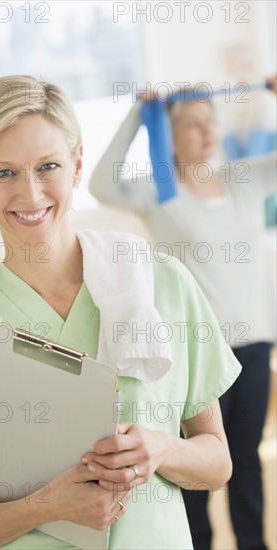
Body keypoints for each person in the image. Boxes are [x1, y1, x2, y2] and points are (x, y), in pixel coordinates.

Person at [0, 75, 242, 550]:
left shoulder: (161, 284)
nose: (30, 194)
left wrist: (161, 448)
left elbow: (217, 465)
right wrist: (44, 507)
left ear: (77, 165)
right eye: (2, 172)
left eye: (47, 166)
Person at [89, 77, 277, 550]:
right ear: (170, 135)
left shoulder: (243, 180)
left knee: (246, 462)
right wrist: (139, 113)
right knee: (193, 465)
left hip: (253, 346)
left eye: (209, 120)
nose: (205, 130)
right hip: (194, 357)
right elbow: (99, 181)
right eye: (191, 123)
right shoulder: (160, 191)